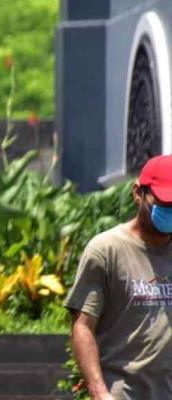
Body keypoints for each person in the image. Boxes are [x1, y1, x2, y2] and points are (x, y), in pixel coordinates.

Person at [65, 154, 172, 400]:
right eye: (165, 203)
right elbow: (82, 326)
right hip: (123, 393)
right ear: (138, 193)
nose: (170, 211)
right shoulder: (106, 250)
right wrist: (99, 392)